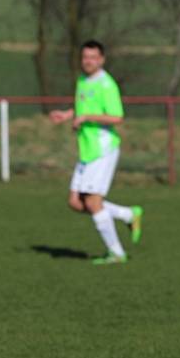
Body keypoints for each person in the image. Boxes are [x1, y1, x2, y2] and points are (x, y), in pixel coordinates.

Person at [49, 40, 142, 265]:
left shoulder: (106, 84)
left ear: (102, 59)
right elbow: (84, 107)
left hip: (103, 149)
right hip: (87, 150)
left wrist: (87, 118)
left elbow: (117, 117)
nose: (88, 61)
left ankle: (117, 253)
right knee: (75, 202)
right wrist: (68, 114)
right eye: (85, 57)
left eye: (93, 57)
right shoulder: (83, 80)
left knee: (92, 202)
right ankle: (128, 214)